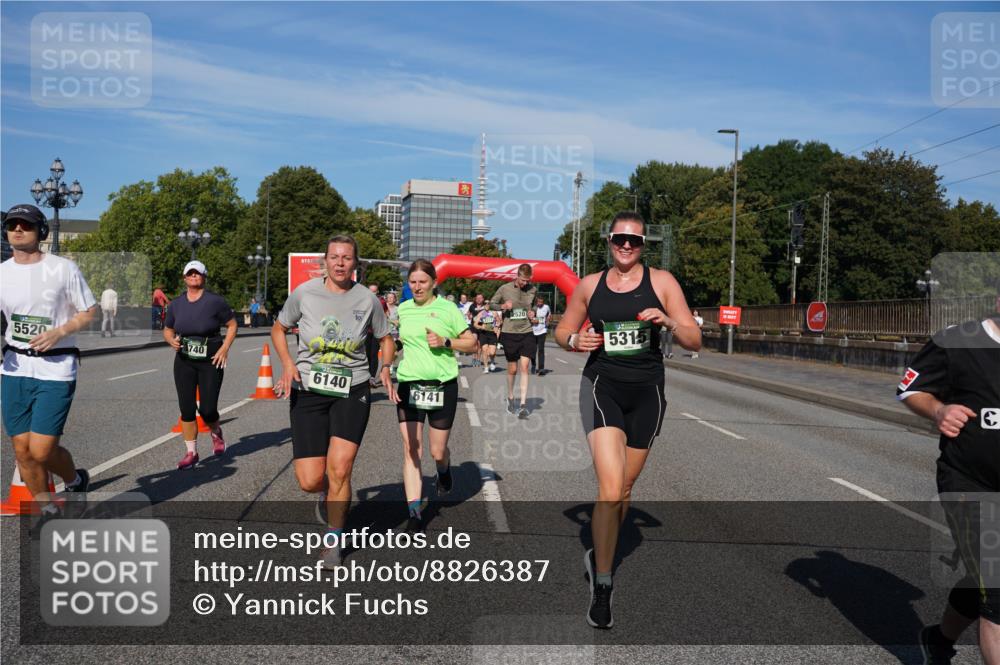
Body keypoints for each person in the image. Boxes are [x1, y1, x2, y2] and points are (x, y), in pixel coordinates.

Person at [554, 211, 701, 629]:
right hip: (602, 386)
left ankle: (599, 549)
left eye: (634, 241)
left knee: (626, 489)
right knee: (611, 486)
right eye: (620, 238)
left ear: (643, 246)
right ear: (609, 240)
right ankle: (603, 584)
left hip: (647, 393)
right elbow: (561, 329)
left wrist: (669, 320)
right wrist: (574, 339)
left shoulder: (663, 282)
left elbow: (695, 341)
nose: (626, 246)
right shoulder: (589, 285)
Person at [271, 236, 393, 570]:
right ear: (325, 260)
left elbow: (385, 339)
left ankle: (334, 542)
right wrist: (287, 363)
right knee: (311, 480)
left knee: (341, 468)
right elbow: (279, 328)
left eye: (347, 258)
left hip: (352, 389)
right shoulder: (305, 293)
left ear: (356, 263)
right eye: (334, 257)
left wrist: (384, 367)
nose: (340, 263)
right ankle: (329, 492)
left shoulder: (368, 299)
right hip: (309, 389)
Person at [898, 289, 1000, 664]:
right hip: (969, 482)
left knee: (983, 583)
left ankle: (938, 640)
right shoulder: (958, 342)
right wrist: (939, 410)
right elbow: (910, 389)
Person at [1, 204, 96, 521]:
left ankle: (75, 480)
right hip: (14, 368)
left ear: (41, 232)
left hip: (55, 369)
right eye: (11, 224)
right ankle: (50, 509)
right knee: (21, 450)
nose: (17, 229)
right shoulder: (2, 272)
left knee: (41, 451)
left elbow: (89, 312)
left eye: (25, 225)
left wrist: (60, 331)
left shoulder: (63, 269)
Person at [392, 260, 477, 531]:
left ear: (433, 283)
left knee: (436, 450)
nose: (417, 287)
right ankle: (415, 512)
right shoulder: (403, 310)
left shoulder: (447, 309)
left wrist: (446, 342)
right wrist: (385, 361)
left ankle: (443, 469)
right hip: (409, 384)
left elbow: (472, 343)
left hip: (441, 386)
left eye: (422, 282)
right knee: (411, 449)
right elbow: (396, 343)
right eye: (413, 282)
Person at [163, 260, 237, 469]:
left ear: (204, 277)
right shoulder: (176, 304)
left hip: (211, 359)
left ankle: (216, 433)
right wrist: (171, 340)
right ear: (184, 278)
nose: (194, 276)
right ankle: (191, 452)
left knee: (207, 409)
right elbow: (168, 329)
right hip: (184, 360)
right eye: (190, 273)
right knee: (186, 408)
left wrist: (224, 348)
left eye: (198, 273)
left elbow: (232, 325)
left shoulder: (216, 302)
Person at [490, 264, 538, 418]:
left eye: (528, 280)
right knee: (513, 369)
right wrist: (503, 305)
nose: (525, 283)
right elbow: (491, 304)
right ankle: (511, 398)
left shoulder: (533, 290)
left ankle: (523, 405)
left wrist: (533, 314)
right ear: (517, 275)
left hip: (526, 331)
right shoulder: (505, 289)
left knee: (525, 366)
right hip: (509, 333)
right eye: (523, 280)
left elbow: (535, 307)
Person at [530, 295, 551, 375]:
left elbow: (549, 315)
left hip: (542, 331)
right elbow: (530, 319)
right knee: (533, 350)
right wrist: (534, 321)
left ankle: (541, 368)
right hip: (533, 331)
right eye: (538, 302)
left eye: (541, 302)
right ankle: (533, 365)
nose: (540, 304)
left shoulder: (547, 307)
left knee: (541, 350)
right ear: (536, 302)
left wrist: (548, 320)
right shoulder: (534, 308)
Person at [385, 291, 400, 378]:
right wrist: (392, 321)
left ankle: (392, 364)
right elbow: (382, 318)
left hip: (395, 332)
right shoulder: (383, 308)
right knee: (387, 351)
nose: (390, 299)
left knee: (395, 351)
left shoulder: (398, 309)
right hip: (386, 332)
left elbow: (401, 319)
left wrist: (399, 322)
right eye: (389, 297)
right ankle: (388, 366)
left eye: (392, 297)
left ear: (395, 299)